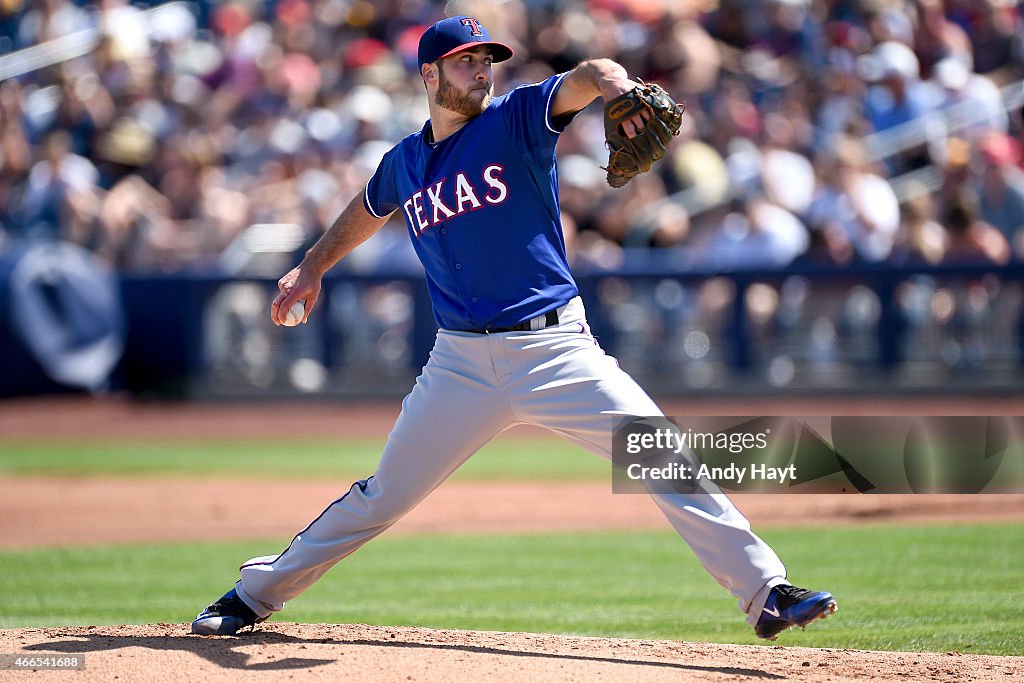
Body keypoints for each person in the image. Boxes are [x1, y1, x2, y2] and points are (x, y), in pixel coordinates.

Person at [191, 15, 836, 641]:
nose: (481, 72)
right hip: (460, 365)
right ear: (428, 75)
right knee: (381, 496)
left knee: (660, 453)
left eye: (486, 61)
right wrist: (310, 267)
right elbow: (365, 211)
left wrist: (618, 88)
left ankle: (765, 592)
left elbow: (587, 73)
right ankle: (254, 594)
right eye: (466, 62)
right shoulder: (406, 162)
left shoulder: (517, 119)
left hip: (554, 347)